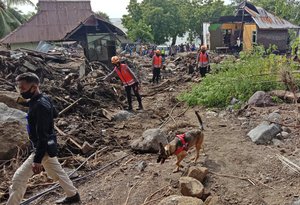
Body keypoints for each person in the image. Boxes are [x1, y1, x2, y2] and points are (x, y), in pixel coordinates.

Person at [7, 73, 80, 205]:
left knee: (18, 178)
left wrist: (37, 160)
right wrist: (33, 106)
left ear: (34, 88)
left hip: (43, 146)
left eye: (23, 88)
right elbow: (55, 113)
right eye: (19, 88)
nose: (20, 91)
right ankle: (73, 195)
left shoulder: (40, 106)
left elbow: (43, 135)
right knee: (57, 172)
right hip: (48, 144)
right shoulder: (44, 99)